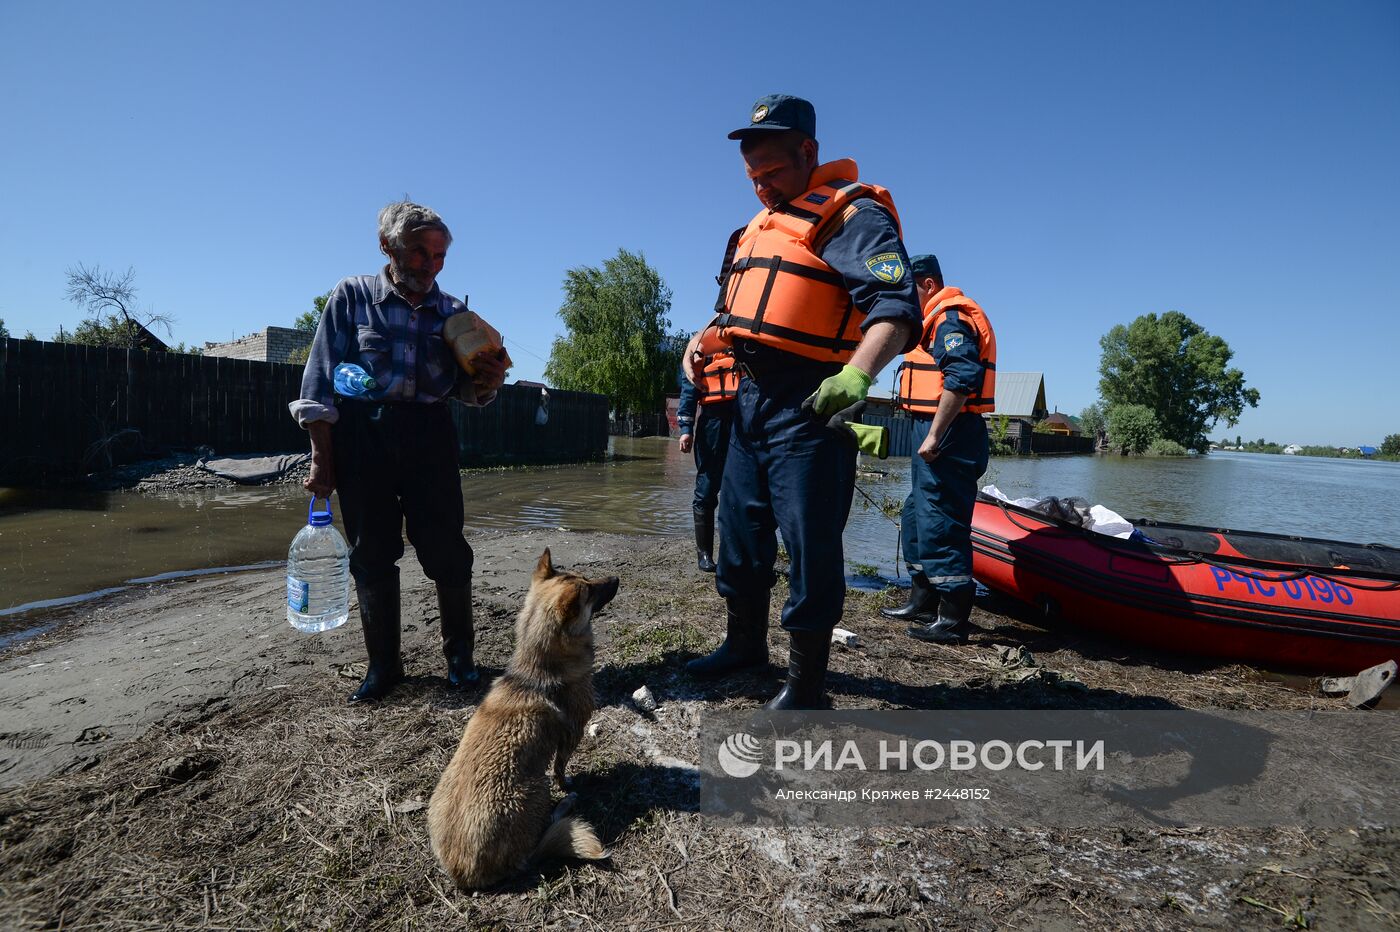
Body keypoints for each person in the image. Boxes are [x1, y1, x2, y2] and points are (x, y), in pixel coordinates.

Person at [682, 95, 920, 710]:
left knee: (811, 544)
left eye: (773, 174)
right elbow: (734, 311)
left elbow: (895, 311)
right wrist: (697, 342)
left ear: (809, 153)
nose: (762, 189)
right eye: (753, 177)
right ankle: (743, 646)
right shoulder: (756, 229)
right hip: (749, 404)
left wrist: (858, 377)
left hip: (812, 405)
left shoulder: (853, 217)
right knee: (739, 531)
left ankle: (808, 684)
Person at [290, 201, 509, 703]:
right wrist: (322, 457)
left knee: (447, 549)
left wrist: (489, 383)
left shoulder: (454, 314)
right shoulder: (352, 297)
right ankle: (384, 667)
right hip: (363, 435)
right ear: (387, 247)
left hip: (429, 434)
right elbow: (319, 383)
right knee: (371, 553)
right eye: (419, 252)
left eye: (439, 256)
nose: (430, 266)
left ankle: (460, 660)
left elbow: (468, 392)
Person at [880, 254, 995, 643]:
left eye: (908, 288)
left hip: (949, 432)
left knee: (942, 519)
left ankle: (954, 618)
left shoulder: (950, 318)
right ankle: (923, 597)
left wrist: (934, 435)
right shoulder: (928, 321)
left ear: (927, 285)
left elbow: (962, 376)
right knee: (917, 513)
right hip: (929, 428)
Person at [676, 314, 739, 572]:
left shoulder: (748, 343)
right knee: (707, 487)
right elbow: (689, 387)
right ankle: (704, 555)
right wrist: (685, 429)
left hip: (743, 418)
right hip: (712, 422)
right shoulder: (703, 345)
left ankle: (733, 553)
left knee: (740, 490)